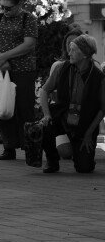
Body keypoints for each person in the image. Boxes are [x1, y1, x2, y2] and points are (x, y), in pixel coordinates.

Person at [38, 34, 103, 174]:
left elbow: (102, 109)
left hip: (84, 124)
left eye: (73, 50)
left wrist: (89, 134)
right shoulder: (61, 68)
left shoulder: (98, 77)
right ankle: (52, 161)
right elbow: (44, 91)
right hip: (63, 116)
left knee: (84, 168)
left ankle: (83, 155)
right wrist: (47, 115)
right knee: (43, 126)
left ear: (85, 54)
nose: (69, 53)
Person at [0, 0, 38, 160]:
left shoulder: (28, 19)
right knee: (4, 107)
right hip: (2, 70)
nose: (4, 11)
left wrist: (5, 56)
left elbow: (29, 44)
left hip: (23, 70)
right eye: (1, 7)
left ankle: (29, 147)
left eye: (8, 8)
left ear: (19, 5)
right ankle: (9, 147)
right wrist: (0, 60)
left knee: (25, 109)